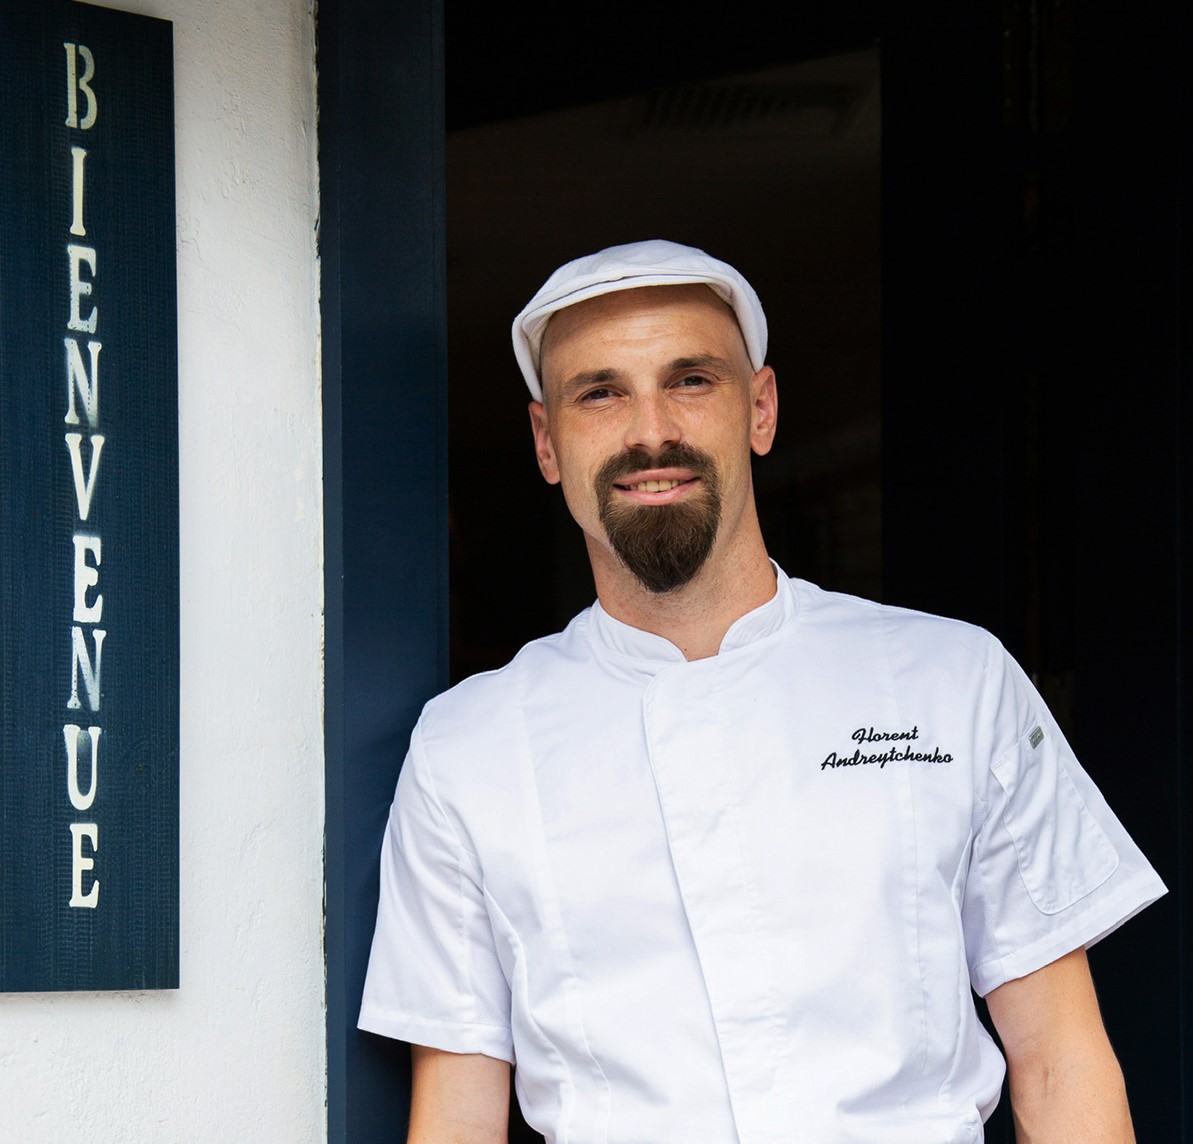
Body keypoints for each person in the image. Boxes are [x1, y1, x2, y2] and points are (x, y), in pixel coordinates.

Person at [359, 240, 1166, 1143]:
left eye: (690, 380)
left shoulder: (951, 681)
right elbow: (458, 1110)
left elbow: (1059, 1058)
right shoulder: (467, 746)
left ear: (761, 408)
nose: (649, 429)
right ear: (547, 443)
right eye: (601, 392)